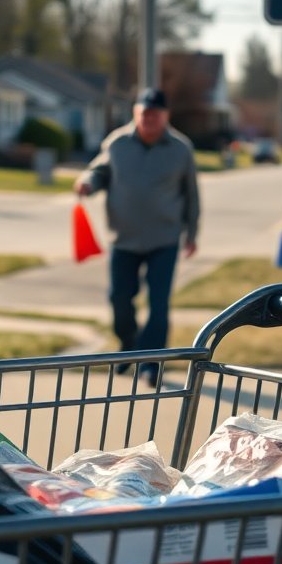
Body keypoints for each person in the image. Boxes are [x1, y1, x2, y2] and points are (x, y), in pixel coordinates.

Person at [76, 88, 200, 386]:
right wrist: (87, 183)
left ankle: (150, 362)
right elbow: (99, 171)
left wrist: (192, 233)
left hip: (164, 239)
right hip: (123, 238)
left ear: (165, 116)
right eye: (144, 113)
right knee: (119, 298)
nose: (149, 119)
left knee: (159, 304)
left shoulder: (181, 149)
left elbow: (191, 195)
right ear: (135, 113)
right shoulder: (117, 143)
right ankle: (128, 345)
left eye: (155, 114)